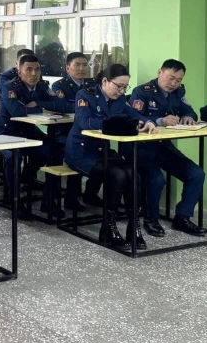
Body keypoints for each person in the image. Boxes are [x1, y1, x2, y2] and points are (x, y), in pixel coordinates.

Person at [65, 64, 156, 249]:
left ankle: (133, 226)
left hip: (103, 151)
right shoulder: (85, 95)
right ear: (105, 81)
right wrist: (116, 124)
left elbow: (133, 114)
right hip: (81, 152)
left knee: (134, 175)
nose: (121, 91)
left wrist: (148, 122)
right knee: (118, 175)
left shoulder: (120, 99)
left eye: (125, 87)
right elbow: (84, 122)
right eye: (119, 86)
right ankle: (108, 227)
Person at [127, 59, 206, 237]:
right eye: (171, 78)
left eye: (178, 80)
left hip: (162, 146)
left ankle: (182, 217)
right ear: (159, 72)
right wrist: (159, 121)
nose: (174, 83)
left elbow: (190, 111)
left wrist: (188, 117)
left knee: (196, 174)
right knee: (156, 179)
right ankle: (150, 219)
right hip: (139, 148)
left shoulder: (178, 92)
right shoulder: (142, 92)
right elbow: (133, 117)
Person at [0, 54, 64, 218]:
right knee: (14, 156)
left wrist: (39, 104)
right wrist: (44, 109)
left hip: (29, 132)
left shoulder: (42, 86)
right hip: (7, 133)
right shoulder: (10, 87)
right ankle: (14, 199)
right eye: (29, 69)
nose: (34, 74)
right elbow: (17, 111)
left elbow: (62, 105)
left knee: (54, 152)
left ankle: (48, 200)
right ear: (20, 72)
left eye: (37, 69)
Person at [51, 53, 99, 209]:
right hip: (64, 132)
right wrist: (84, 108)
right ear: (67, 68)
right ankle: (69, 198)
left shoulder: (93, 85)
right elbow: (61, 106)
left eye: (84, 65)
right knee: (78, 151)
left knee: (103, 151)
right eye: (77, 65)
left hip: (87, 132)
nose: (81, 69)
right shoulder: (60, 86)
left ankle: (90, 193)